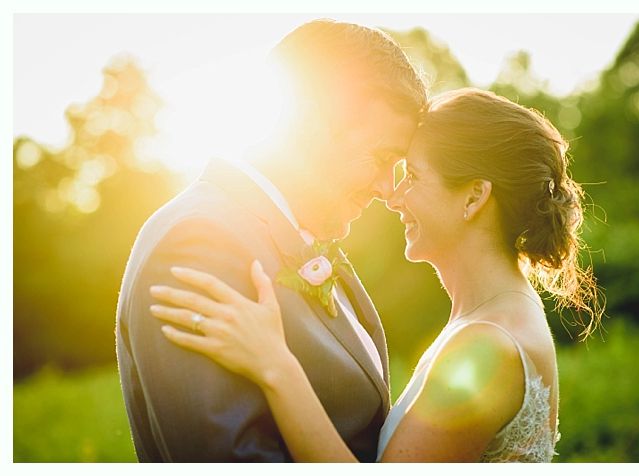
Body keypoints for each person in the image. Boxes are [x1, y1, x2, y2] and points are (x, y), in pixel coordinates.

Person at [147, 88, 603, 462]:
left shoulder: (487, 346)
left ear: (473, 198)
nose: (393, 196)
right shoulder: (501, 314)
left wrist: (275, 365)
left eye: (413, 178)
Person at [115, 19, 427, 462]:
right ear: (312, 123)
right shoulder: (198, 241)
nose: (386, 187)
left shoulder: (297, 236)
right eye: (382, 159)